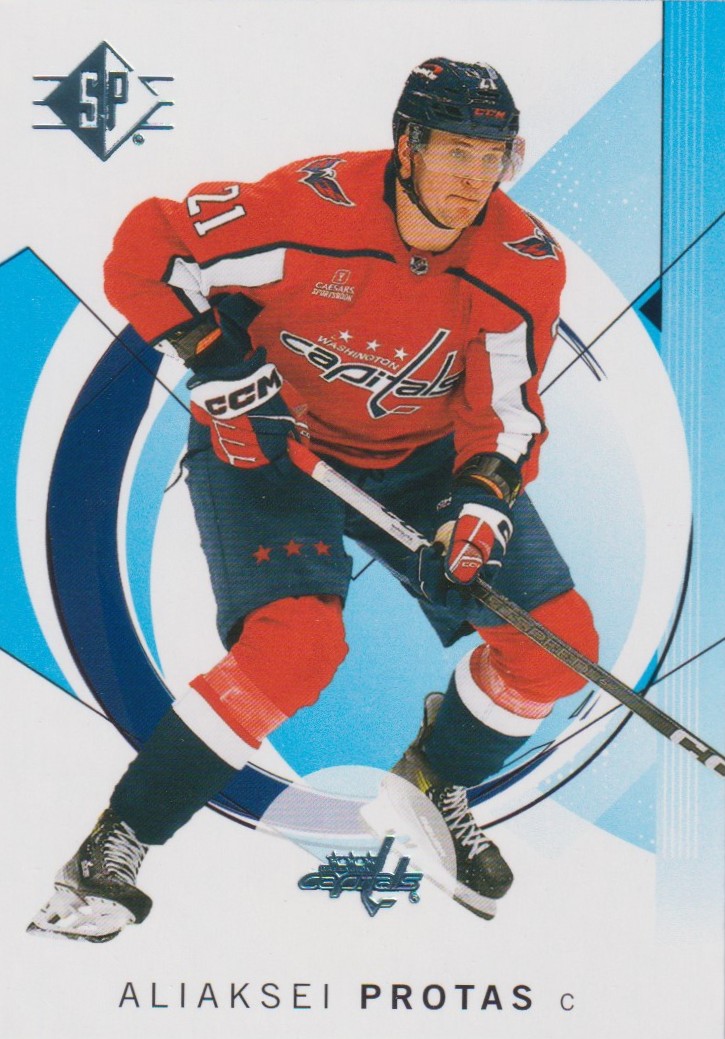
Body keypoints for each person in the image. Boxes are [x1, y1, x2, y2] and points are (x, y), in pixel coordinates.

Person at [29, 57, 598, 941]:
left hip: (420, 459)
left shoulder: (520, 259)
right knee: (294, 648)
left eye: (492, 158)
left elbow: (507, 410)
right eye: (454, 152)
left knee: (558, 650)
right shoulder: (306, 210)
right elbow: (145, 251)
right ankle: (116, 842)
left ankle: (432, 779)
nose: (473, 180)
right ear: (405, 144)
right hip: (269, 442)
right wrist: (217, 356)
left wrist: (479, 507)